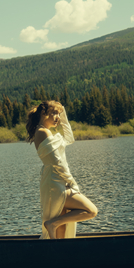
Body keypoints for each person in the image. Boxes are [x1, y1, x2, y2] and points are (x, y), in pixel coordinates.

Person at [26, 100, 98, 239]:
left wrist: (63, 115)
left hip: (58, 181)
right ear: (43, 113)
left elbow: (69, 138)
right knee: (91, 211)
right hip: (55, 183)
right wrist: (72, 183)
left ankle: (57, 252)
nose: (57, 117)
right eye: (54, 113)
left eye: (58, 114)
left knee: (61, 232)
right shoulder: (42, 132)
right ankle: (52, 224)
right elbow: (57, 162)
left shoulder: (47, 132)